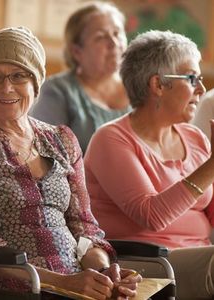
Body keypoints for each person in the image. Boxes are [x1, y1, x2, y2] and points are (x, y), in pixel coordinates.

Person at [0, 26, 141, 300]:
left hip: (77, 286)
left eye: (18, 76)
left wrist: (105, 273)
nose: (6, 87)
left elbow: (84, 228)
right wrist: (62, 283)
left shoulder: (61, 139)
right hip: (10, 289)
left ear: (36, 82)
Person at [84, 30, 214, 299]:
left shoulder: (195, 138)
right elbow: (151, 215)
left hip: (199, 258)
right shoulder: (111, 139)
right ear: (158, 85)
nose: (201, 89)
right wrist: (212, 167)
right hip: (144, 263)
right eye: (192, 78)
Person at [29, 1, 130, 153]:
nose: (114, 43)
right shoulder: (57, 91)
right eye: (101, 37)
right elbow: (46, 159)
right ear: (77, 51)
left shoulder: (141, 87)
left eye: (117, 33)